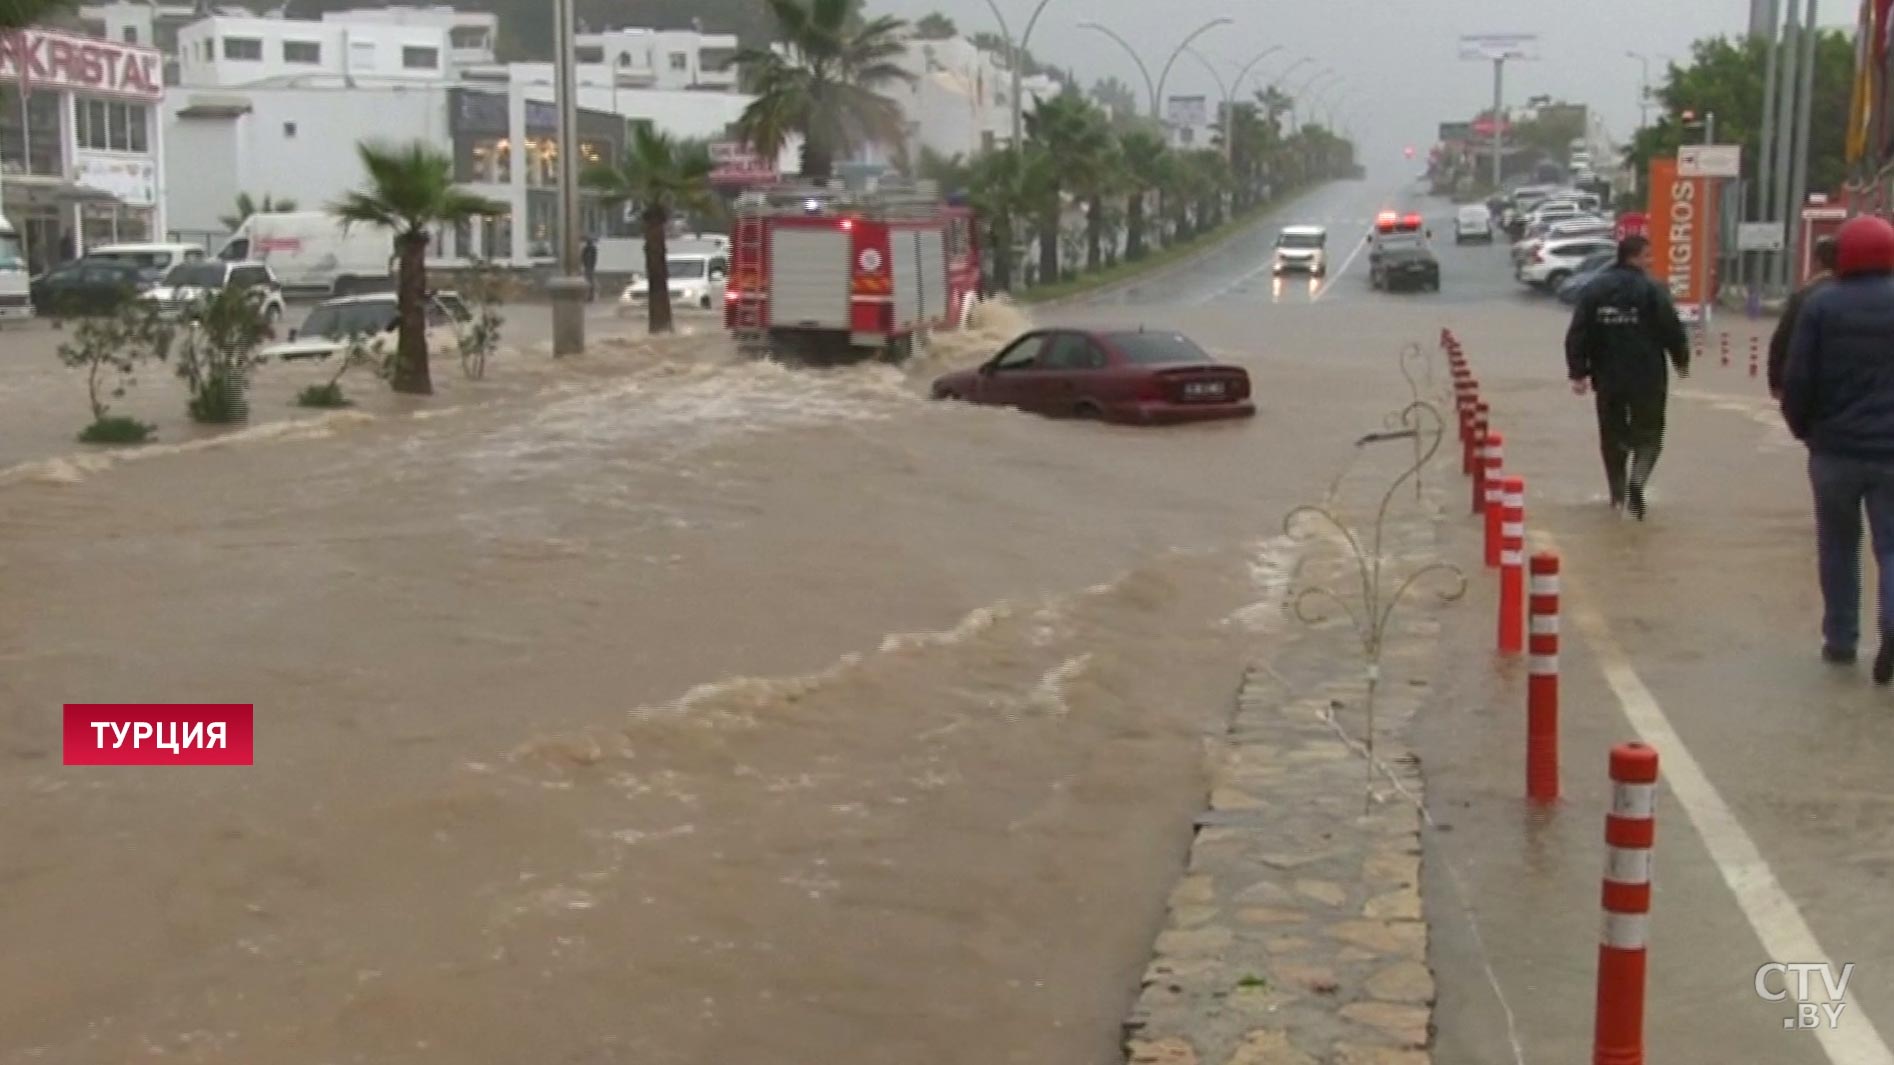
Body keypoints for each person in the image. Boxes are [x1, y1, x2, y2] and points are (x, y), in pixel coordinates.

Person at [1781, 214, 1894, 679]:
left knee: (1837, 546)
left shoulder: (1821, 305)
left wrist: (1803, 429)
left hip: (1834, 451)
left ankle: (1841, 641)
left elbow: (1798, 378)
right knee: (1892, 546)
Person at [1564, 234, 1691, 520]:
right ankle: (1638, 481)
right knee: (1649, 435)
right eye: (1648, 256)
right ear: (1634, 257)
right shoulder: (1653, 289)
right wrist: (1681, 361)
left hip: (1607, 377)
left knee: (1612, 436)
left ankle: (1618, 496)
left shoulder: (1594, 289)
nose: (1651, 261)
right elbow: (1672, 328)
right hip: (1648, 376)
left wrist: (1577, 372)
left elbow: (1578, 333)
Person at [1769, 235, 1839, 401]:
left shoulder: (1804, 296)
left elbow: (1781, 340)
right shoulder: (1853, 294)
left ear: (1817, 262)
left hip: (1809, 384)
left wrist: (1776, 382)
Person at [581, 237, 599, 301]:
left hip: (589, 267)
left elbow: (583, 258)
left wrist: (586, 265)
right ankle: (589, 296)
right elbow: (583, 258)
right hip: (589, 267)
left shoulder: (588, 249)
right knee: (590, 281)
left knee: (589, 281)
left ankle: (590, 296)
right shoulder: (589, 249)